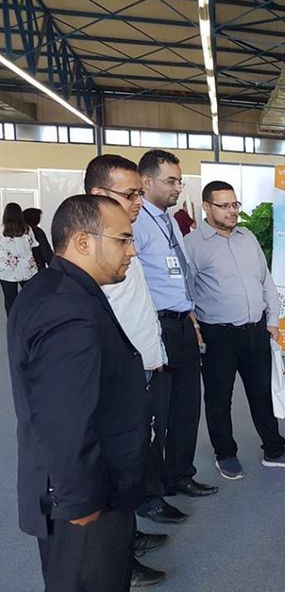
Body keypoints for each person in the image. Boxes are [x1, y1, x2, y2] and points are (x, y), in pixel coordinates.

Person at [8, 195, 148, 591]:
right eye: (123, 240)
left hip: (85, 486)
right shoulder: (66, 307)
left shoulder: (57, 288)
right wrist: (80, 500)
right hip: (86, 501)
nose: (132, 251)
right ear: (83, 241)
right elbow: (63, 415)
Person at [85, 154, 176, 587]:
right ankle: (119, 560)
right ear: (97, 194)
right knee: (115, 469)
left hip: (144, 366)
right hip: (121, 377)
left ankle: (129, 537)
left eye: (140, 193)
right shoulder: (95, 249)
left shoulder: (123, 236)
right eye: (130, 194)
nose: (139, 201)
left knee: (133, 461)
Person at [184, 180, 285, 480]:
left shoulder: (248, 237)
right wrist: (195, 327)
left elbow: (266, 280)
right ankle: (225, 454)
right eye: (224, 205)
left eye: (235, 204)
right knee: (219, 398)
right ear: (206, 207)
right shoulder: (192, 245)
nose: (232, 211)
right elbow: (185, 293)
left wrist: (273, 321)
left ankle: (274, 450)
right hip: (218, 335)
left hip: (256, 332)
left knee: (262, 393)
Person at [134, 149, 217, 521]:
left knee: (186, 407)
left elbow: (178, 276)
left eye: (179, 181)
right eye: (170, 181)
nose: (177, 187)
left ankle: (179, 475)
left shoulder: (170, 221)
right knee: (157, 414)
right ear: (146, 181)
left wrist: (193, 319)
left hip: (183, 323)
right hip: (156, 326)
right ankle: (150, 496)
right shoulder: (136, 223)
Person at [0, 202, 39, 314]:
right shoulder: (27, 229)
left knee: (10, 299)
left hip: (6, 270)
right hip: (27, 268)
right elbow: (34, 245)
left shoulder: (1, 230)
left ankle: (13, 321)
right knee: (30, 297)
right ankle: (29, 319)